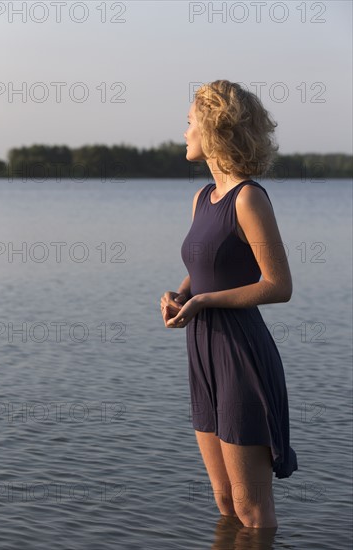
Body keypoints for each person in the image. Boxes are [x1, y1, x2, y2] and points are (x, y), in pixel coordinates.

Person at [160, 80, 298, 529]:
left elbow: (278, 285)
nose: (184, 133)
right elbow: (202, 267)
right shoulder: (202, 198)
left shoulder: (249, 197)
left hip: (240, 353)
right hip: (201, 351)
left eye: (189, 123)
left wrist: (203, 301)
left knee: (252, 509)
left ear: (214, 128)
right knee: (223, 500)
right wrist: (181, 296)